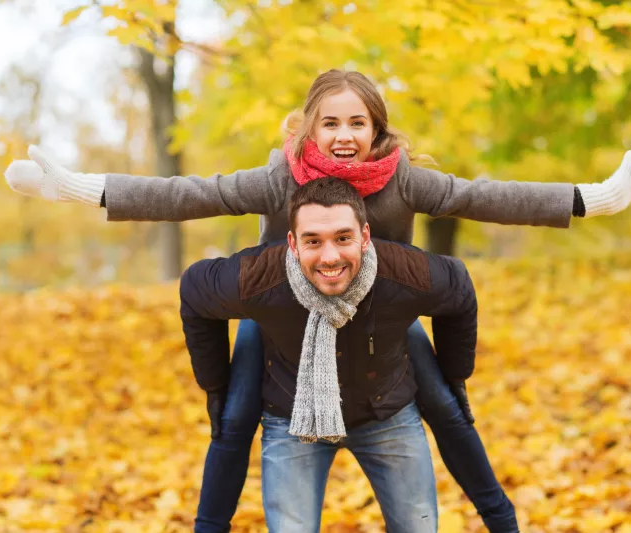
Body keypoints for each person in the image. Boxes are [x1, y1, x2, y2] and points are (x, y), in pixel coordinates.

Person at [3, 70, 631, 532]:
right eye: (331, 122)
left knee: (450, 411)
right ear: (310, 128)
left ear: (376, 130)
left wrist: (588, 198)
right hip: (284, 310)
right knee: (234, 422)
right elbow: (187, 193)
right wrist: (79, 189)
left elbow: (484, 195)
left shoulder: (403, 180)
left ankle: (500, 520)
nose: (344, 134)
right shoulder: (278, 177)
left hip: (378, 315)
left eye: (358, 122)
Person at [180, 177, 481, 532]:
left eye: (343, 238)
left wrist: (455, 373)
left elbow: (459, 288)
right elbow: (194, 290)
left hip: (388, 415)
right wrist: (215, 384)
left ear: (365, 236)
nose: (330, 256)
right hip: (293, 419)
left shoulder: (404, 272)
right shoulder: (259, 278)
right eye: (313, 241)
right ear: (292, 243)